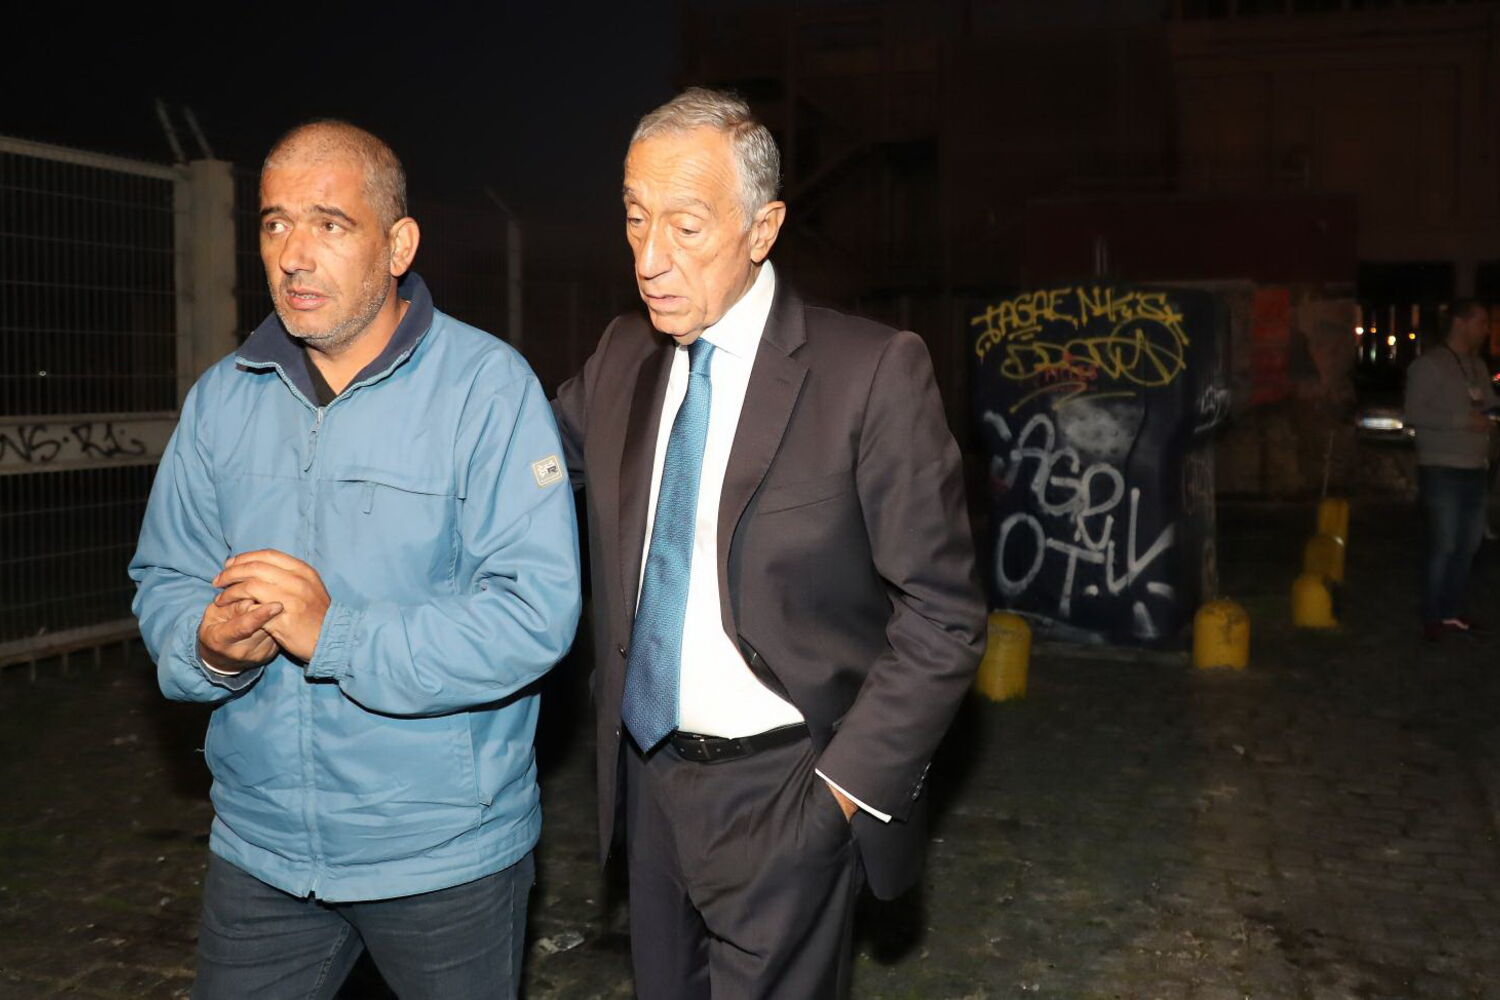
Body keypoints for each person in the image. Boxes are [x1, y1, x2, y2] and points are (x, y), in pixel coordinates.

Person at [128, 120, 581, 999]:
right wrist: (208, 646)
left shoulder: (487, 390)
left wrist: (336, 636)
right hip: (261, 850)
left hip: (442, 853)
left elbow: (533, 615)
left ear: (398, 245)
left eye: (329, 224)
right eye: (274, 223)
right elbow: (166, 577)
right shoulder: (223, 399)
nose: (294, 255)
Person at [553, 88, 986, 999]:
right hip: (647, 787)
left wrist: (839, 798)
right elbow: (518, 471)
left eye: (686, 227)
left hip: (787, 789)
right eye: (634, 220)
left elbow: (942, 617)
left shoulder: (870, 372)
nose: (650, 259)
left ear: (763, 229)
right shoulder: (622, 358)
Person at [1404, 297, 1496, 641]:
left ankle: (1452, 611)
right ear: (1460, 322)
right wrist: (1462, 421)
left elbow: (1487, 404)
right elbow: (1414, 413)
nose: (1486, 330)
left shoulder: (1477, 366)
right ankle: (1433, 615)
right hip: (1442, 467)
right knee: (1443, 543)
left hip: (1475, 466)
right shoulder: (1429, 365)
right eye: (1481, 322)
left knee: (1468, 544)